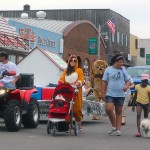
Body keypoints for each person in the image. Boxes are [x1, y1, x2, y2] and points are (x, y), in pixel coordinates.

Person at [101, 53, 131, 136]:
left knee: (119, 111)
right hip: (110, 93)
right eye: (120, 62)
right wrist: (102, 93)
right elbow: (104, 81)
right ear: (115, 62)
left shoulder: (123, 70)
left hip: (120, 94)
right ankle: (114, 125)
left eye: (122, 62)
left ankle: (118, 129)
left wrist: (126, 85)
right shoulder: (108, 70)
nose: (121, 64)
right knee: (109, 109)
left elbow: (128, 80)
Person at [59, 55, 84, 130]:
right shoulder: (66, 71)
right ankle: (68, 124)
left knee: (77, 109)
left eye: (74, 61)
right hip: (67, 92)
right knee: (67, 108)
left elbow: (81, 79)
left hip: (76, 91)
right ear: (69, 61)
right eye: (71, 60)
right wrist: (60, 82)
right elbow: (62, 78)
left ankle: (79, 121)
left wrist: (78, 83)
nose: (73, 62)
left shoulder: (79, 70)